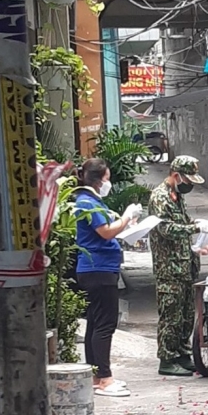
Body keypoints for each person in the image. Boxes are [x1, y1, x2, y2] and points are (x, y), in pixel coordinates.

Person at [74, 158, 138, 397]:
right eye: (107, 180)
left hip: (96, 269)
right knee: (104, 324)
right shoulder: (87, 203)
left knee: (94, 323)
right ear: (99, 180)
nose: (108, 184)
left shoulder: (90, 202)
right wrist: (125, 217)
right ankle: (104, 378)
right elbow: (106, 232)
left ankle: (96, 375)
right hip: (98, 270)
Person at [148, 155, 208, 377]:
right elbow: (166, 229)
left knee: (185, 315)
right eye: (188, 180)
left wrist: (197, 225)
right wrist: (194, 229)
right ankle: (167, 358)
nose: (190, 185)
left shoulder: (176, 197)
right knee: (170, 314)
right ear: (176, 176)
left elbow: (182, 223)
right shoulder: (160, 197)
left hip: (184, 265)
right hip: (169, 268)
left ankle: (182, 353)